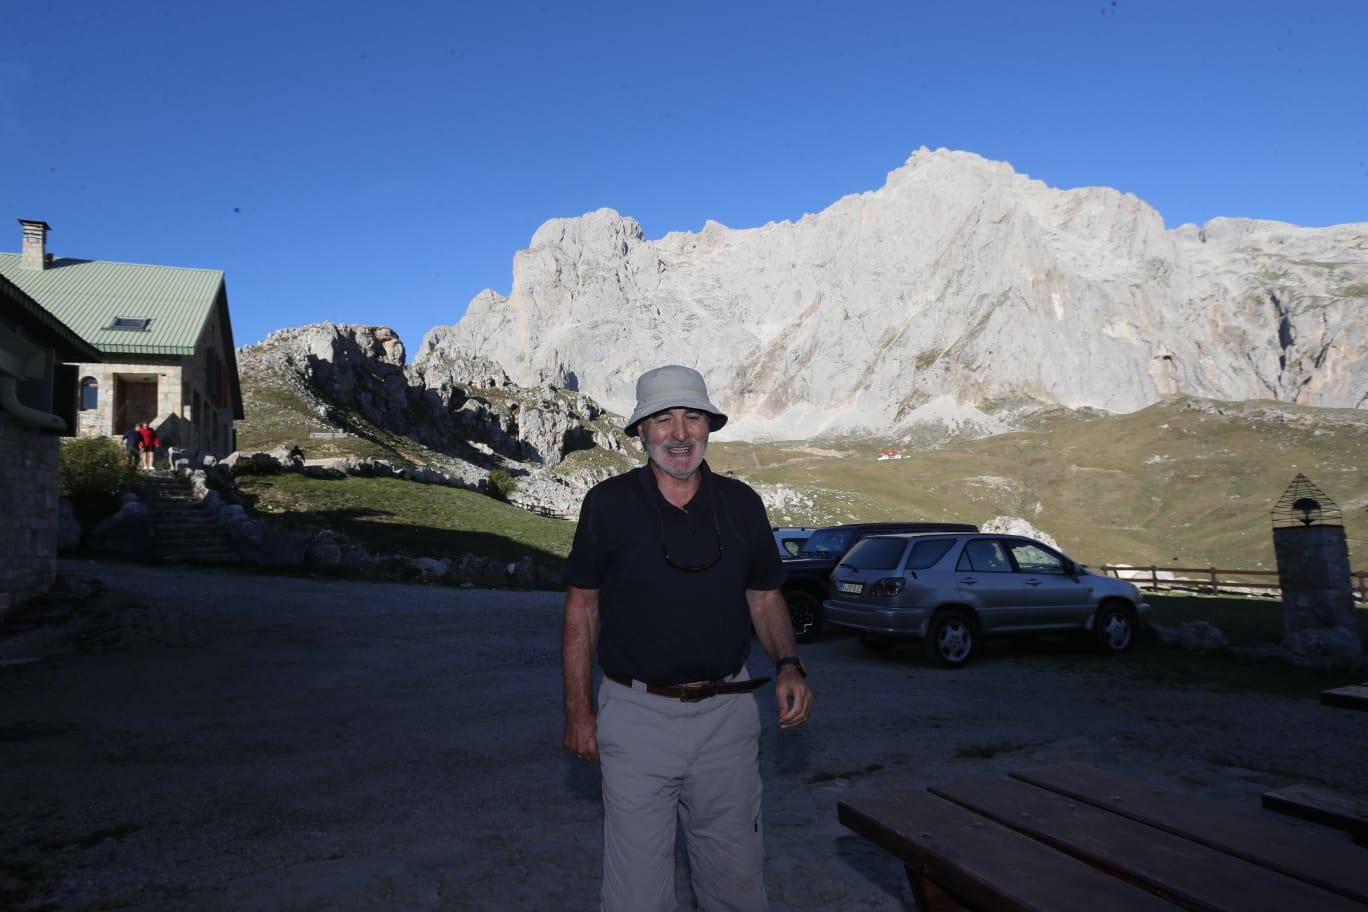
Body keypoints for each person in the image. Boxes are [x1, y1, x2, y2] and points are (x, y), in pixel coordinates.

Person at [561, 364, 813, 912]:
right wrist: (580, 712)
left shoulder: (742, 504)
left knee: (737, 887)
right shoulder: (607, 504)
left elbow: (765, 597)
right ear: (641, 432)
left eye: (692, 417)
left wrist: (789, 664)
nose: (679, 433)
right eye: (662, 419)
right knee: (637, 897)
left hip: (728, 715)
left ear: (708, 426)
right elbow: (582, 611)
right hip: (635, 714)